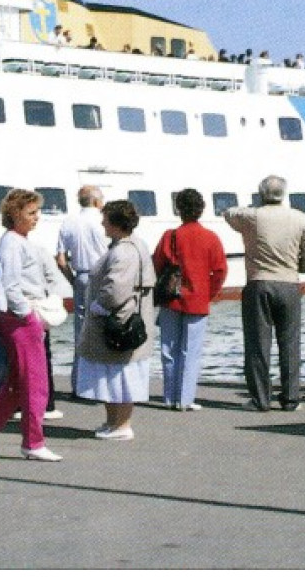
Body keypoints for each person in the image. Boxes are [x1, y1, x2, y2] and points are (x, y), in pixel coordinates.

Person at [0, 188, 61, 462]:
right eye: (31, 212)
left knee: (15, 385)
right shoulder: (13, 242)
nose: (37, 217)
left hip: (18, 317)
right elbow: (11, 284)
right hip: (21, 318)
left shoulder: (16, 241)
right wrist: (28, 315)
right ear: (16, 214)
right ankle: (33, 442)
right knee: (36, 383)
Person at [224, 176, 305, 412]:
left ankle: (260, 399)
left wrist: (253, 204)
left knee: (258, 344)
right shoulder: (300, 218)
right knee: (290, 343)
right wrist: (296, 269)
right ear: (285, 193)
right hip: (289, 284)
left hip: (259, 283)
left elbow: (228, 213)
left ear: (261, 193)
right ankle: (291, 399)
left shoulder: (251, 217)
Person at [74, 199, 155, 441]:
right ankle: (114, 422)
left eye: (106, 219)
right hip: (126, 319)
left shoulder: (123, 251)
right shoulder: (134, 245)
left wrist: (99, 305)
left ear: (116, 223)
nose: (102, 223)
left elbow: (117, 287)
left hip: (118, 321)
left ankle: (122, 424)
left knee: (120, 375)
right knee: (115, 375)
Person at [153, 188, 229, 412]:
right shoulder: (211, 238)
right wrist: (208, 293)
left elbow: (157, 265)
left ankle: (169, 397)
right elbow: (220, 271)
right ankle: (185, 399)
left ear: (179, 210)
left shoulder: (170, 236)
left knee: (169, 349)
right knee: (190, 352)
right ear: (201, 209)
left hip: (171, 300)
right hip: (197, 300)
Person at [56, 185, 108, 393]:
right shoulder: (103, 221)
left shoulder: (69, 222)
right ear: (96, 201)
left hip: (82, 275)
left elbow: (61, 259)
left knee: (81, 331)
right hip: (103, 276)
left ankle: (79, 384)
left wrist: (73, 280)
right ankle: (99, 385)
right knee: (103, 329)